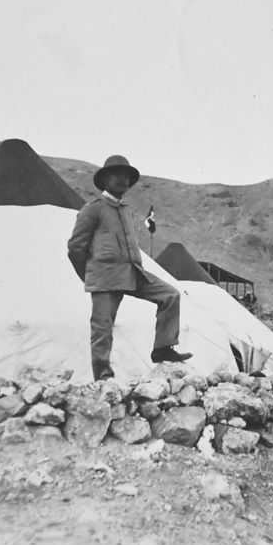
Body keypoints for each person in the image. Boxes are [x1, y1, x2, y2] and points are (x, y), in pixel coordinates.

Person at [67, 155, 192, 381]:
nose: (123, 179)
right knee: (102, 331)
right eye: (117, 174)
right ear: (105, 179)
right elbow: (76, 248)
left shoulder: (125, 210)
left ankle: (162, 348)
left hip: (133, 273)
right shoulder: (92, 210)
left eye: (126, 176)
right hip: (105, 279)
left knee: (170, 295)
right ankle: (104, 379)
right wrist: (90, 277)